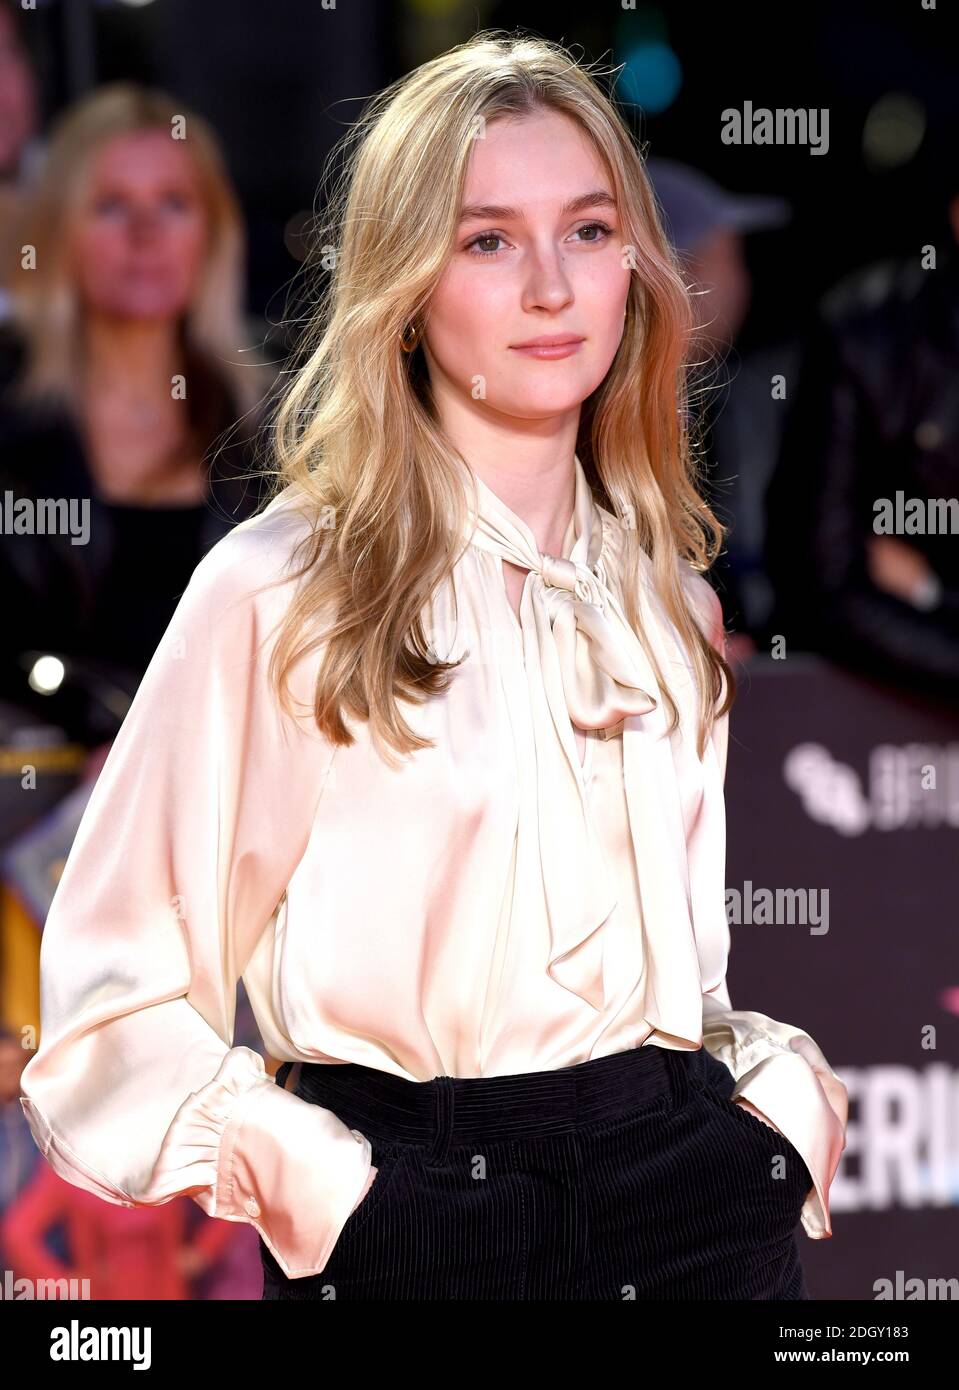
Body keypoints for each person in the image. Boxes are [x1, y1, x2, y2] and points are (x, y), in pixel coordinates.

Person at [17, 31, 847, 1302]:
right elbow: (108, 1000)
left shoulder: (666, 594)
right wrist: (331, 1190)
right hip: (415, 1217)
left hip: (696, 1212)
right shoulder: (282, 585)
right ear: (406, 282)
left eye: (586, 230)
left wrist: (769, 1118)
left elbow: (687, 971)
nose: (552, 289)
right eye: (487, 241)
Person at [0, 82, 268, 746]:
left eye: (174, 204)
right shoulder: (9, 418)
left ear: (212, 230)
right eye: (111, 205)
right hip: (37, 806)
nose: (145, 234)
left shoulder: (287, 427)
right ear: (58, 230)